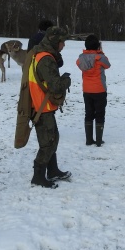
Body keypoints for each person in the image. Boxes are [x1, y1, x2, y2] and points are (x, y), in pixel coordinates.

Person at [28, 26, 72, 188]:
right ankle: (38, 177)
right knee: (48, 142)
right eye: (62, 42)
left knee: (53, 138)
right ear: (55, 41)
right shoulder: (46, 59)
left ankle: (52, 170)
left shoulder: (40, 54)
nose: (64, 45)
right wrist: (66, 80)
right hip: (41, 107)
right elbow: (56, 86)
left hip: (43, 106)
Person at [76, 34, 111, 146]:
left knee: (89, 113)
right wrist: (100, 52)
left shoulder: (81, 58)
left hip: (87, 90)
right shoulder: (100, 57)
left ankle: (89, 139)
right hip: (99, 90)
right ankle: (99, 141)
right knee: (100, 114)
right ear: (97, 46)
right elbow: (107, 64)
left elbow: (78, 63)